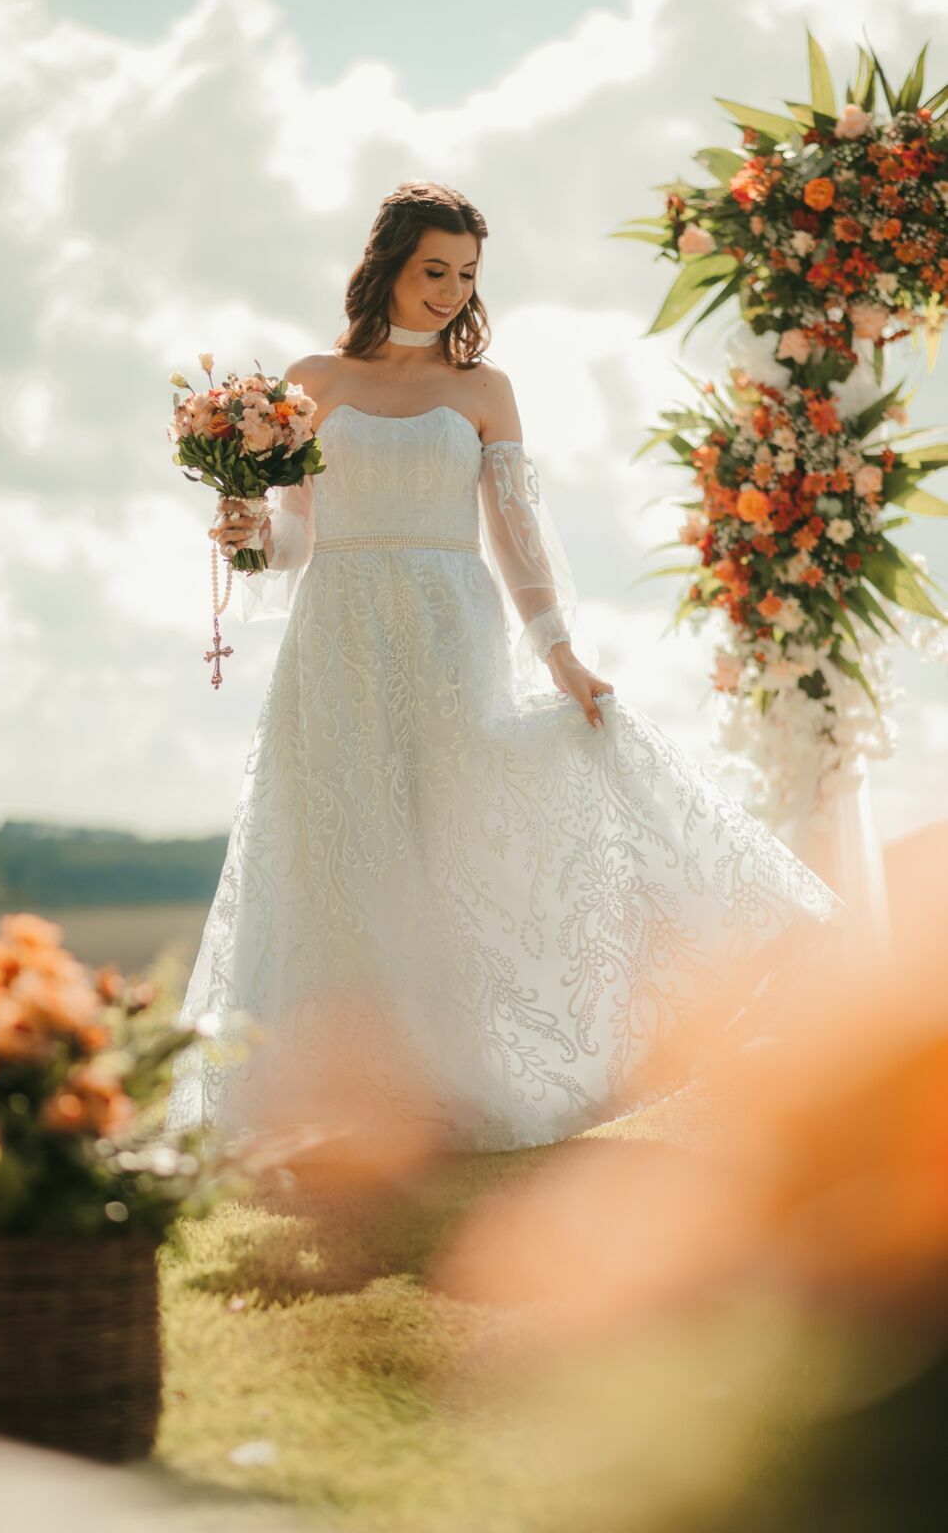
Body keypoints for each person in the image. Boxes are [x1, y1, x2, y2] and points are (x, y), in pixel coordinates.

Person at [165, 180, 847, 1155]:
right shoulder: (312, 382)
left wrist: (561, 654)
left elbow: (516, 535)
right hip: (340, 631)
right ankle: (345, 1082)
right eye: (433, 270)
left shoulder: (486, 391)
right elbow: (291, 547)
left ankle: (475, 1067)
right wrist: (241, 532)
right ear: (388, 268)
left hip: (452, 629)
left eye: (467, 275)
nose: (451, 291)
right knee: (340, 848)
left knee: (455, 845)